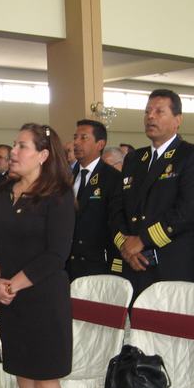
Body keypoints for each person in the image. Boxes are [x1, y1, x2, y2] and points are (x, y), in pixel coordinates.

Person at [0, 123, 75, 388]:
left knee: (45, 382)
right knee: (24, 381)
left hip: (43, 298)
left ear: (42, 155)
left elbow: (56, 254)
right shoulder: (2, 192)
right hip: (11, 298)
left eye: (22, 146)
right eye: (14, 145)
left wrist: (12, 284)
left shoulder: (58, 196)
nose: (13, 151)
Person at [110, 88, 194, 298]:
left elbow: (189, 208)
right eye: (147, 111)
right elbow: (116, 207)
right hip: (134, 265)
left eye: (159, 111)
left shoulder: (192, 155)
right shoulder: (134, 159)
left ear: (177, 120)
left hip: (172, 267)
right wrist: (126, 246)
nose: (150, 116)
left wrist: (143, 240)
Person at [69, 119, 122, 279]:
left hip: (97, 264)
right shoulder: (66, 177)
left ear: (100, 144)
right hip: (68, 264)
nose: (76, 143)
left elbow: (116, 222)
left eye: (83, 138)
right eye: (75, 137)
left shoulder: (112, 178)